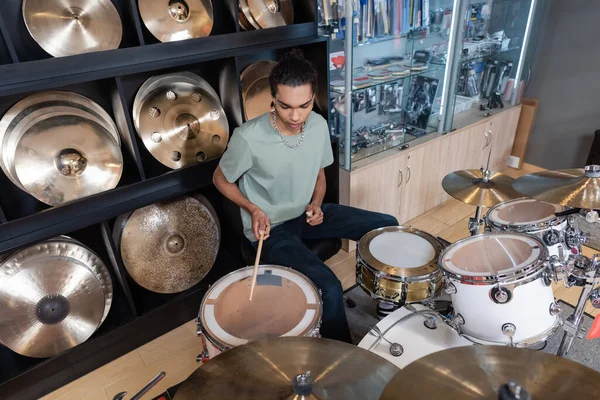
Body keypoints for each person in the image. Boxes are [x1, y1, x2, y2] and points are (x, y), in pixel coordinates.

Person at [213, 49, 398, 343]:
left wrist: (315, 204)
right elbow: (220, 179)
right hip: (271, 228)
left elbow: (319, 175)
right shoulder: (247, 137)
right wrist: (252, 208)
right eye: (285, 106)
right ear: (272, 98)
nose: (296, 116)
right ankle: (339, 354)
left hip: (306, 215)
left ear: (314, 97)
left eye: (305, 105)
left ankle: (388, 301)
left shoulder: (318, 126)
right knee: (330, 287)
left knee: (388, 225)